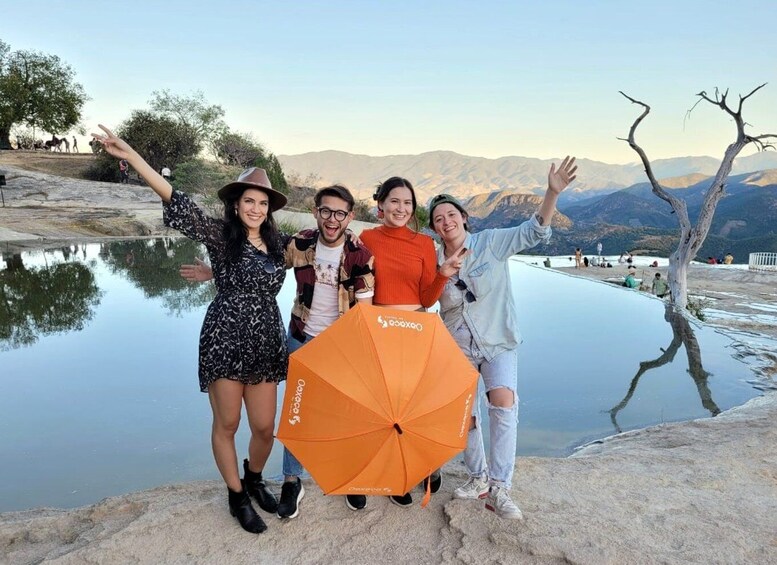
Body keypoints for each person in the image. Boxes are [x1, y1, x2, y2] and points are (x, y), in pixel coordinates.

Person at [92, 124, 287, 535]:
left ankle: (254, 477)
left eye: (262, 203)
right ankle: (236, 495)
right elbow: (175, 200)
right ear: (236, 205)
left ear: (269, 208)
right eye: (248, 201)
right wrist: (131, 156)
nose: (255, 208)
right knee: (228, 423)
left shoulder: (280, 243)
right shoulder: (220, 236)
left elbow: (329, 244)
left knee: (266, 427)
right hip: (225, 335)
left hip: (266, 339)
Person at [181, 185, 376, 518]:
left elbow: (367, 308)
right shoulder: (298, 243)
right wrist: (216, 273)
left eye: (340, 213)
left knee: (344, 412)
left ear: (350, 216)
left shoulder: (360, 254)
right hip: (299, 338)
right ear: (316, 212)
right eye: (326, 211)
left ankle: (347, 477)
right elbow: (252, 263)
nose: (332, 219)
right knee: (296, 413)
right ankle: (289, 481)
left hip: (340, 343)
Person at [428, 156, 577, 520]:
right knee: (466, 415)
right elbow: (426, 297)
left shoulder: (491, 243)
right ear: (434, 228)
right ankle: (477, 476)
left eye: (451, 215)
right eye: (438, 219)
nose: (446, 222)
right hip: (457, 347)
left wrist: (551, 193)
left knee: (503, 405)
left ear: (464, 217)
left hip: (498, 342)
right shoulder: (432, 260)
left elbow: (534, 231)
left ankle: (500, 486)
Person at [359, 176, 463, 507]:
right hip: (381, 329)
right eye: (394, 201)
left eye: (407, 203)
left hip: (417, 329)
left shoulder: (423, 244)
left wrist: (443, 273)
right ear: (381, 205)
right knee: (389, 407)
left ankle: (426, 464)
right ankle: (396, 474)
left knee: (418, 406)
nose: (401, 209)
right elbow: (358, 285)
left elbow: (427, 298)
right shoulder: (366, 239)